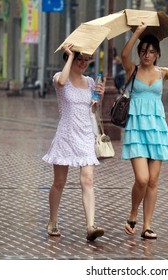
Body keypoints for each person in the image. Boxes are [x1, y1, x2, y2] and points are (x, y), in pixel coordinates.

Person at [121, 22, 168, 239]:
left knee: (153, 180)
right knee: (141, 179)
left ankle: (147, 225)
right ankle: (133, 212)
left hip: (157, 130)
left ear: (157, 54)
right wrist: (138, 34)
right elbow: (124, 55)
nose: (146, 55)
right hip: (136, 129)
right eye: (143, 52)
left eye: (151, 52)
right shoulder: (134, 70)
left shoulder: (163, 72)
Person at [42, 43, 106, 241]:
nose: (84, 63)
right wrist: (69, 56)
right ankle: (53, 220)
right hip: (66, 135)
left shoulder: (89, 81)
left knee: (87, 180)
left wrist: (99, 97)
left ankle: (90, 226)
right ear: (71, 58)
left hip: (86, 135)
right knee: (59, 182)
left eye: (87, 60)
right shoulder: (60, 78)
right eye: (80, 59)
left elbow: (92, 109)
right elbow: (61, 82)